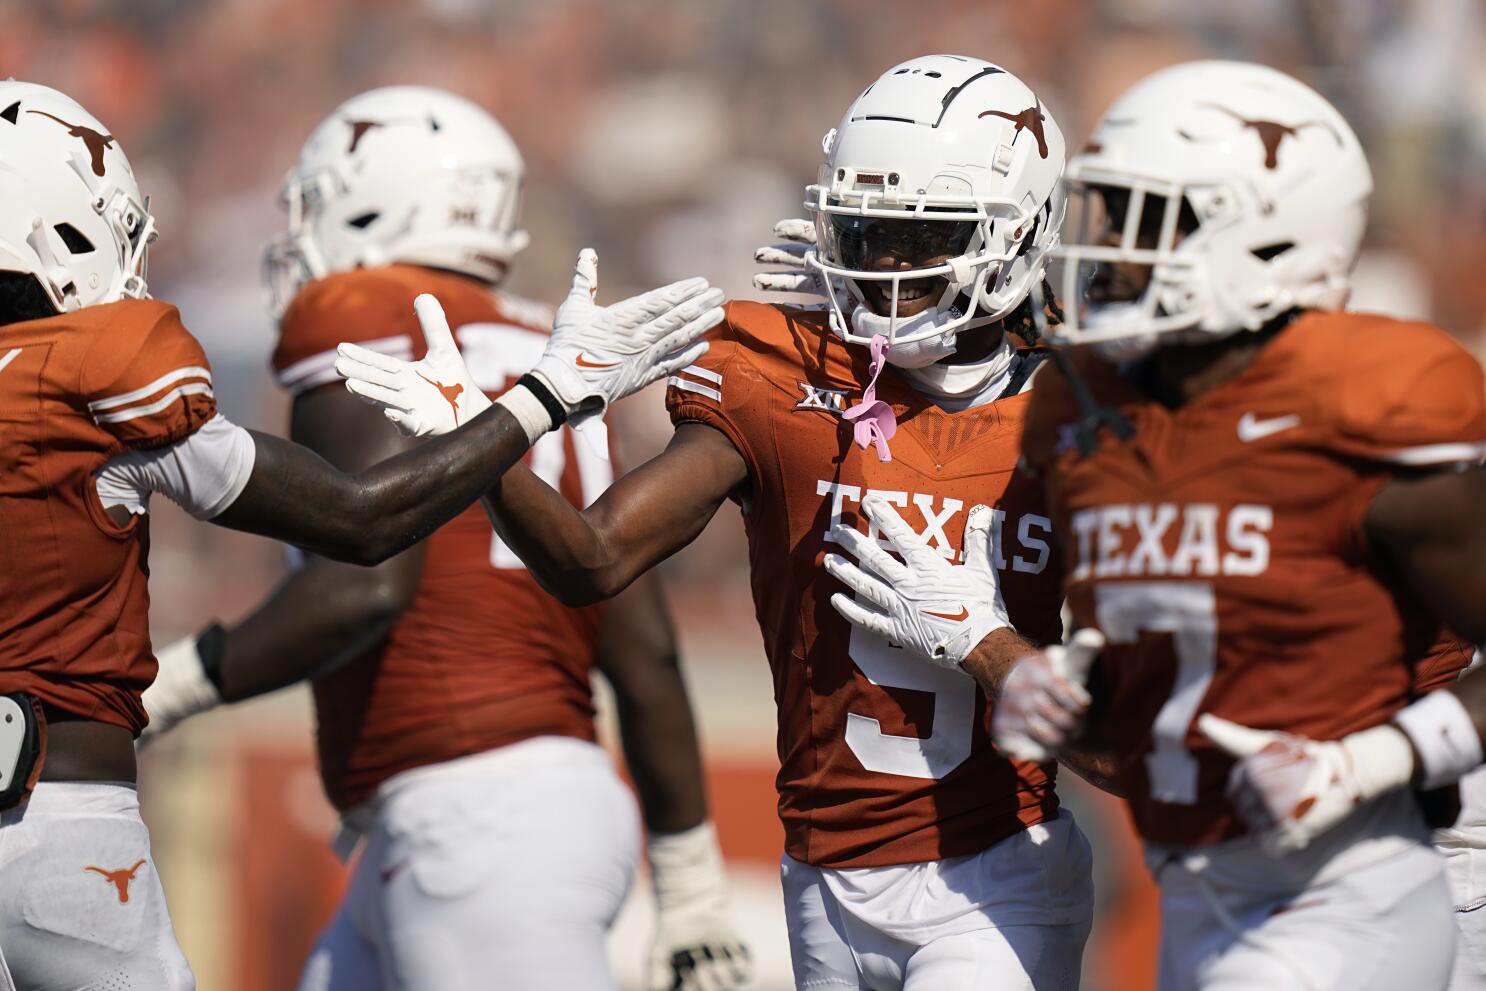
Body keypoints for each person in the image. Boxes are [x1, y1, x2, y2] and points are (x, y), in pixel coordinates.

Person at [337, 55, 1097, 990]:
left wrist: (983, 641)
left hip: (998, 873)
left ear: (1019, 237)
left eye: (920, 237)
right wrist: (496, 429)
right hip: (820, 869)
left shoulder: (1083, 423)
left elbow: (1123, 744)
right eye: (866, 231)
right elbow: (592, 560)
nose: (885, 268)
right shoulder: (778, 377)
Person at [0, 80, 721, 990]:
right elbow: (640, 639)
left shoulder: (360, 311)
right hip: (529, 796)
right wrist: (690, 872)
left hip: (469, 807)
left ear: (381, 205)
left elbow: (366, 575)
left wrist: (182, 682)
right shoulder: (552, 341)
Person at [824, 60, 1486, 990]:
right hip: (1210, 875)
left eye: (1148, 224)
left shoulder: (1371, 410)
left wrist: (1376, 756)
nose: (1110, 257)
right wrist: (995, 648)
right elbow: (1127, 740)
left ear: (1272, 243)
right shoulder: (1091, 418)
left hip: (1388, 853)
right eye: (1105, 219)